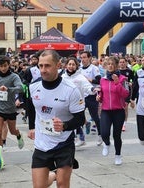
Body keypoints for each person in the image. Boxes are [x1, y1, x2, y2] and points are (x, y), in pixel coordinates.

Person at [28, 50, 85, 188]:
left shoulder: (71, 90)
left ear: (58, 65)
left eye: (47, 65)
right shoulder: (33, 86)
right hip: (42, 143)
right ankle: (53, 174)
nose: (43, 70)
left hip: (63, 143)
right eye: (40, 66)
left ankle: (57, 176)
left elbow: (80, 119)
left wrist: (64, 125)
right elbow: (31, 106)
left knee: (62, 184)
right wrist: (31, 127)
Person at [96, 56, 129, 165]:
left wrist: (117, 83)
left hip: (118, 111)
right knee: (104, 132)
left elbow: (125, 94)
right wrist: (99, 96)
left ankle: (118, 155)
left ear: (116, 65)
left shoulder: (123, 78)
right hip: (106, 110)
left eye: (112, 64)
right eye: (108, 64)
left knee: (116, 135)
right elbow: (101, 93)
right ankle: (106, 143)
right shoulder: (103, 79)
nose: (110, 66)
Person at [0, 55, 24, 155]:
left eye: (5, 65)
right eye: (1, 66)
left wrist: (8, 89)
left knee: (12, 131)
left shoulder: (14, 76)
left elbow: (21, 88)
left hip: (10, 109)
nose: (3, 68)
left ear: (9, 65)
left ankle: (18, 135)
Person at [62, 57, 95, 147]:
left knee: (76, 120)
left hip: (78, 103)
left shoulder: (80, 77)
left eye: (73, 64)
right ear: (66, 66)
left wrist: (93, 89)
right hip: (65, 103)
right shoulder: (62, 77)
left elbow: (87, 87)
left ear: (76, 66)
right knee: (69, 121)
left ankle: (81, 138)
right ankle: (73, 137)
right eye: (69, 64)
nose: (71, 66)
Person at [80, 51, 102, 145]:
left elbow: (99, 80)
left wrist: (89, 80)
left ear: (89, 58)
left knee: (95, 116)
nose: (83, 59)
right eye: (81, 58)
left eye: (85, 57)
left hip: (92, 95)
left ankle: (100, 135)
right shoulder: (79, 69)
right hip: (82, 96)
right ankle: (81, 137)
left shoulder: (94, 68)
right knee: (78, 115)